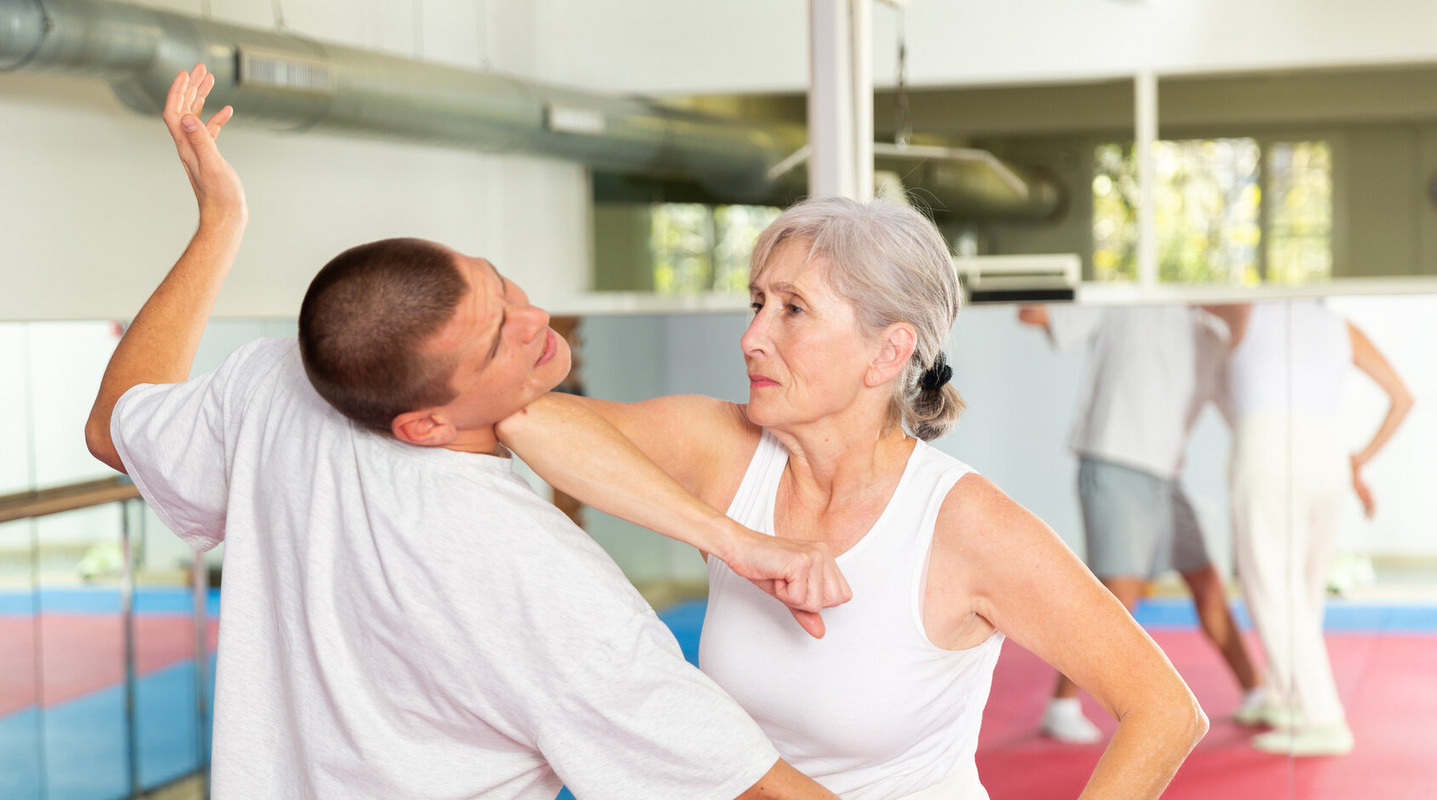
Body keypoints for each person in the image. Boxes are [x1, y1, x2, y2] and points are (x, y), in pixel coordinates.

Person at [83, 64, 849, 799]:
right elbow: (754, 791)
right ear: (424, 425)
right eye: (498, 343)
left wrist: (220, 223)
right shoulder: (535, 575)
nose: (537, 321)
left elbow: (115, 424)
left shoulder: (273, 385)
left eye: (499, 285)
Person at [497, 197, 1208, 800]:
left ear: (887, 352)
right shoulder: (726, 449)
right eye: (757, 303)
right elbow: (528, 418)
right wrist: (732, 539)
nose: (751, 337)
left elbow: (1163, 710)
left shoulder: (962, 524)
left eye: (793, 310)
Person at [1016, 304, 1265, 743]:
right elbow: (1038, 316)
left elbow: (1244, 416)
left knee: (1206, 582)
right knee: (1119, 593)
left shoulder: (1214, 340)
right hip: (1114, 460)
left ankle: (1255, 691)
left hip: (1165, 476)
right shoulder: (1129, 299)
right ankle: (1061, 704)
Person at [1205, 300, 1412, 757]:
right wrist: (1357, 462)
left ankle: (1323, 718)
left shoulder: (1245, 309)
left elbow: (1186, 300)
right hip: (1327, 455)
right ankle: (1286, 696)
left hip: (1267, 450)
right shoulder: (1340, 326)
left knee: (1273, 588)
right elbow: (1404, 397)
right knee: (1304, 589)